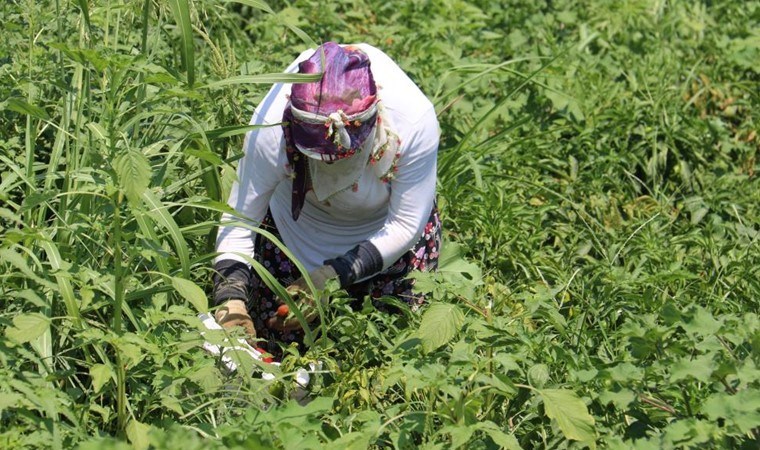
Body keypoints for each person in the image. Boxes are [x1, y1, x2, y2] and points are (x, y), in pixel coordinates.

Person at [212, 42, 442, 358]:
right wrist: (230, 302)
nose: (327, 170)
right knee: (276, 358)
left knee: (386, 361)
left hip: (387, 243)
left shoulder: (411, 122)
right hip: (293, 236)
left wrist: (330, 277)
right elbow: (239, 221)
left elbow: (404, 225)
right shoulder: (270, 127)